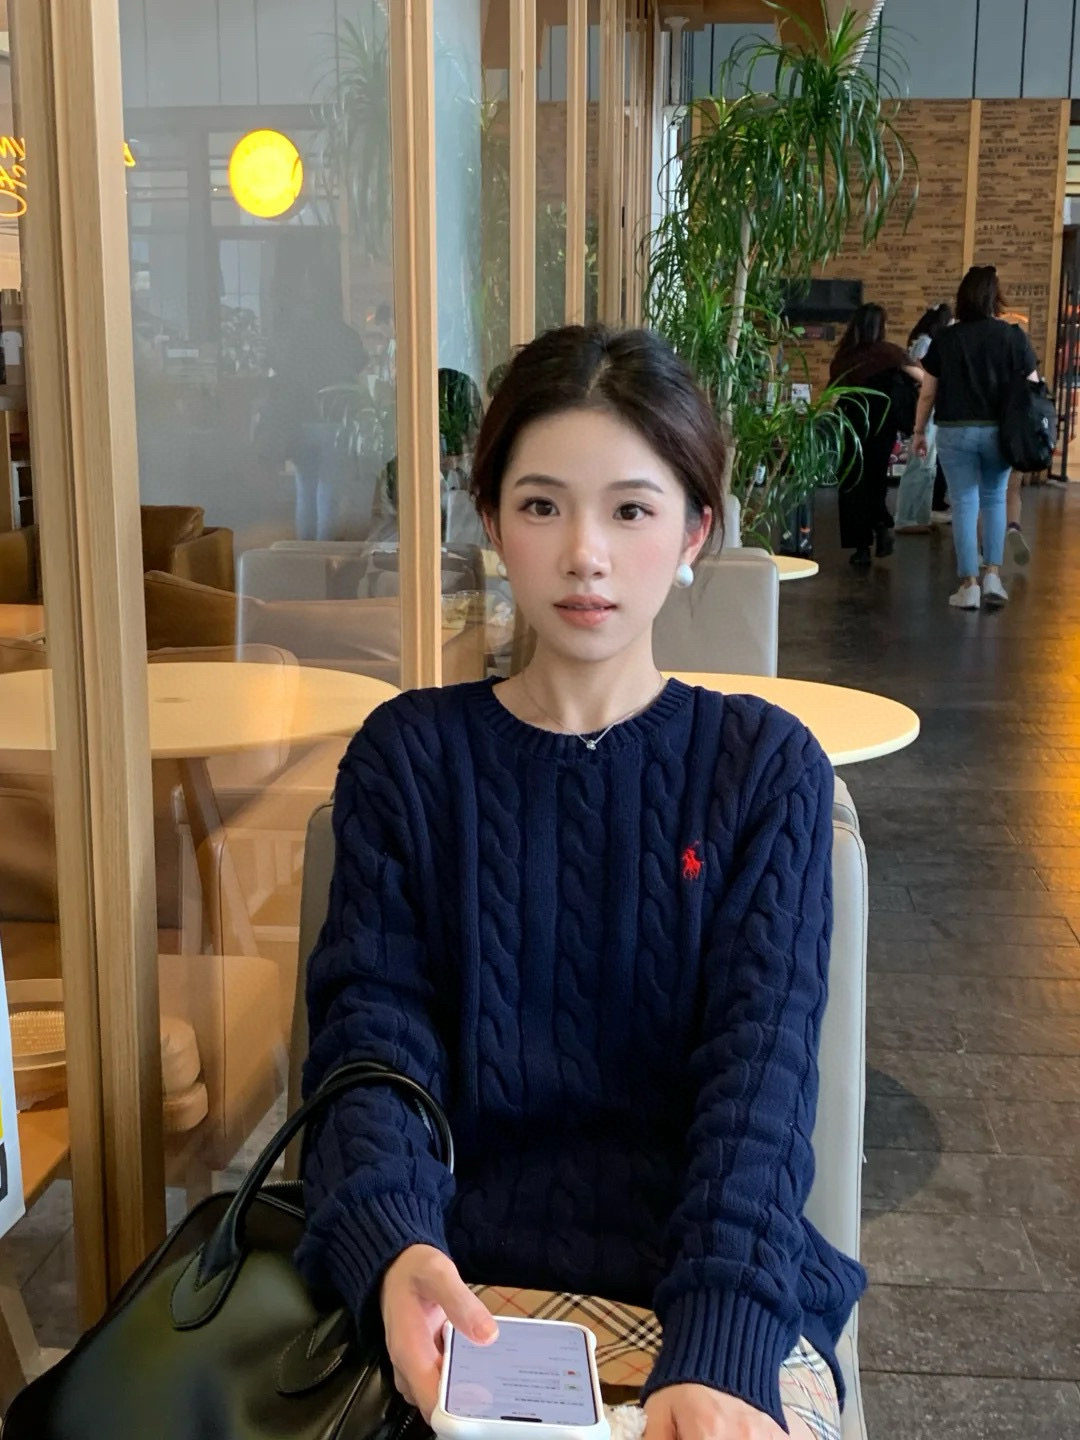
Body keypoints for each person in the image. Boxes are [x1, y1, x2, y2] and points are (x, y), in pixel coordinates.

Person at [297, 324, 866, 1440]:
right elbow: (370, 1037)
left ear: (695, 529)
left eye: (632, 510)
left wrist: (718, 1347)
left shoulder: (764, 771)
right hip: (451, 1275)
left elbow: (759, 1088)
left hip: (710, 1283)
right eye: (543, 505)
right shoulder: (409, 760)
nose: (585, 555)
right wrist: (393, 1247)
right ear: (493, 519)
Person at [914, 265, 1039, 610]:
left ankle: (968, 585)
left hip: (954, 432)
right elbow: (1033, 386)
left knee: (964, 504)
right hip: (999, 432)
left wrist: (919, 432)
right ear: (995, 297)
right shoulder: (1012, 336)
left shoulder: (946, 338)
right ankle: (993, 577)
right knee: (995, 499)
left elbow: (928, 392)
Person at [830, 303, 925, 568]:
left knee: (852, 483)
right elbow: (922, 377)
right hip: (883, 424)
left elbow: (834, 393)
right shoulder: (890, 353)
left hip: (851, 424)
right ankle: (882, 527)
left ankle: (861, 548)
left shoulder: (844, 358)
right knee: (876, 479)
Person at [894, 304, 952, 534]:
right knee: (920, 464)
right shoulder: (926, 343)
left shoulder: (922, 341)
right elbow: (927, 378)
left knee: (926, 465)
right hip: (925, 411)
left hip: (928, 411)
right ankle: (907, 518)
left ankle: (920, 517)